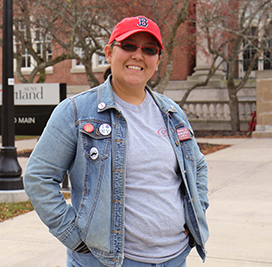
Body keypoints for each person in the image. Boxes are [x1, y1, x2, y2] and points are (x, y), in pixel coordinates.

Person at [23, 15, 209, 267]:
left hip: (174, 258)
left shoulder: (172, 113)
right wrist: (75, 237)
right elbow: (38, 177)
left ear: (157, 62)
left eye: (149, 49)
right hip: (107, 261)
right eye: (129, 46)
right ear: (109, 53)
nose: (138, 55)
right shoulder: (77, 112)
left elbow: (197, 166)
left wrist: (194, 218)